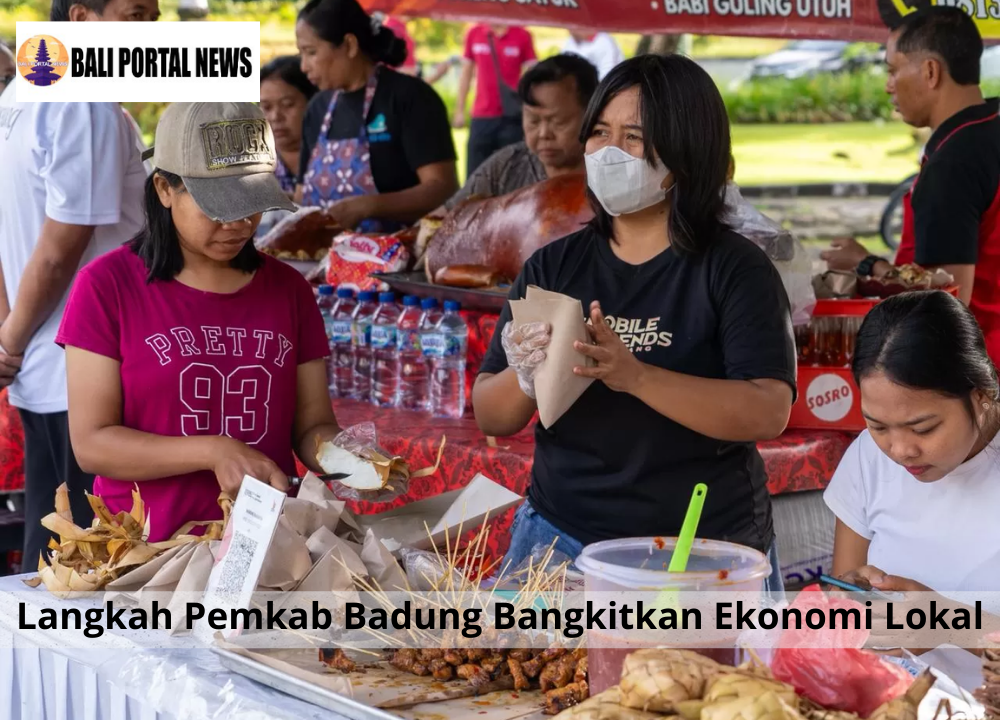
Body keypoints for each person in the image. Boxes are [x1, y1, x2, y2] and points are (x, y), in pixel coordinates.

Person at [473, 55, 796, 593]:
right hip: (561, 540)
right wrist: (527, 376)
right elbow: (492, 413)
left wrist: (636, 376)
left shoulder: (735, 268)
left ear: (687, 149)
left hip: (702, 548)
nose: (609, 151)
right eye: (599, 132)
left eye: (634, 136)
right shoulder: (554, 266)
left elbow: (767, 410)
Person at [55, 102, 344, 541]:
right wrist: (213, 451)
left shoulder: (290, 290)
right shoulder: (105, 286)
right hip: (142, 549)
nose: (240, 223)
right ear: (164, 189)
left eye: (251, 205)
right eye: (218, 206)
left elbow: (312, 427)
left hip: (262, 545)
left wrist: (352, 460)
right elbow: (92, 444)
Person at [0, 0, 153, 570]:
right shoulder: (80, 97)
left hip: (47, 360)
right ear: (83, 18)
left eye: (153, 19)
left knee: (54, 558)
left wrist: (11, 335)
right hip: (80, 369)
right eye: (134, 15)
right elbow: (64, 242)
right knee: (84, 562)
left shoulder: (22, 91)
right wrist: (11, 340)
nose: (148, 34)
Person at [822, 8, 1000, 361]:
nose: (888, 85)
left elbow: (947, 296)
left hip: (977, 369)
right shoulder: (990, 127)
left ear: (931, 72)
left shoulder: (953, 164)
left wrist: (867, 264)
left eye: (893, 70)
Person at [825, 291, 1000, 593]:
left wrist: (945, 624)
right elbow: (842, 608)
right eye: (878, 426)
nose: (900, 451)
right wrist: (850, 600)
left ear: (980, 396)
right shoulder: (868, 457)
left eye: (923, 428)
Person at [295, 0, 458, 234]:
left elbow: (443, 188)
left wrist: (368, 206)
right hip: (323, 260)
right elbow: (303, 195)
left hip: (401, 259)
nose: (303, 66)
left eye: (311, 52)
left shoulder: (409, 97)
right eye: (301, 54)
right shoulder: (317, 108)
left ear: (350, 45)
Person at [445, 54, 598, 210]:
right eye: (533, 121)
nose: (543, 134)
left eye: (559, 122)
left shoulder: (609, 175)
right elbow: (445, 216)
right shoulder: (507, 165)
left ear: (591, 116)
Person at [455, 24, 537, 178]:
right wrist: (459, 109)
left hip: (512, 116)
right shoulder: (475, 33)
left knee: (510, 174)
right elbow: (466, 73)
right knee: (475, 174)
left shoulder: (522, 35)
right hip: (481, 115)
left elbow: (532, 76)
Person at [260, 55, 319, 196]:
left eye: (288, 105)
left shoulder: (334, 158)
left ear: (313, 103)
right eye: (266, 107)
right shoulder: (251, 168)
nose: (275, 117)